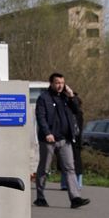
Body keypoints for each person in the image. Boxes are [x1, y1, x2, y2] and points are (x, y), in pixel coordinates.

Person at [35, 72, 89, 209]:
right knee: (44, 169)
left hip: (65, 140)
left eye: (62, 83)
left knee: (70, 168)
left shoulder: (66, 97)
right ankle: (40, 197)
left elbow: (77, 110)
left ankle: (75, 198)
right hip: (48, 140)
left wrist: (71, 96)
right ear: (51, 83)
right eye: (57, 83)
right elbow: (41, 117)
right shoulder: (44, 98)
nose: (60, 85)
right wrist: (47, 133)